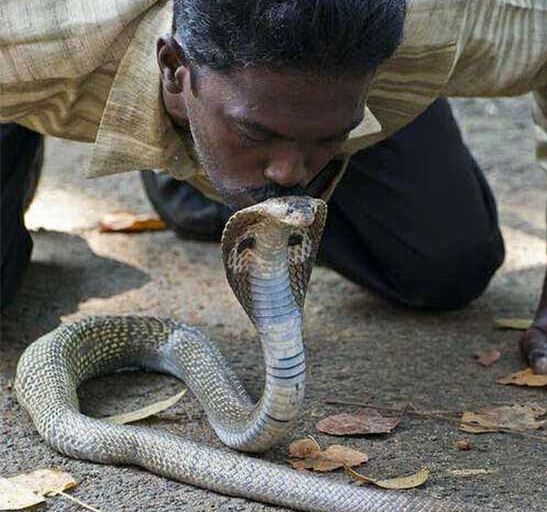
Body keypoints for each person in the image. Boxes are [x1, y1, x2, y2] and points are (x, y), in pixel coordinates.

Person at [1, 1, 546, 373]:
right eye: (256, 133)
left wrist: (314, 129)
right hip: (31, 86)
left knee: (444, 266)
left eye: (324, 138)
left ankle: (215, 171)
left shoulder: (447, 20)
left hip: (329, 86)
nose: (291, 173)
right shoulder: (30, 35)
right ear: (173, 68)